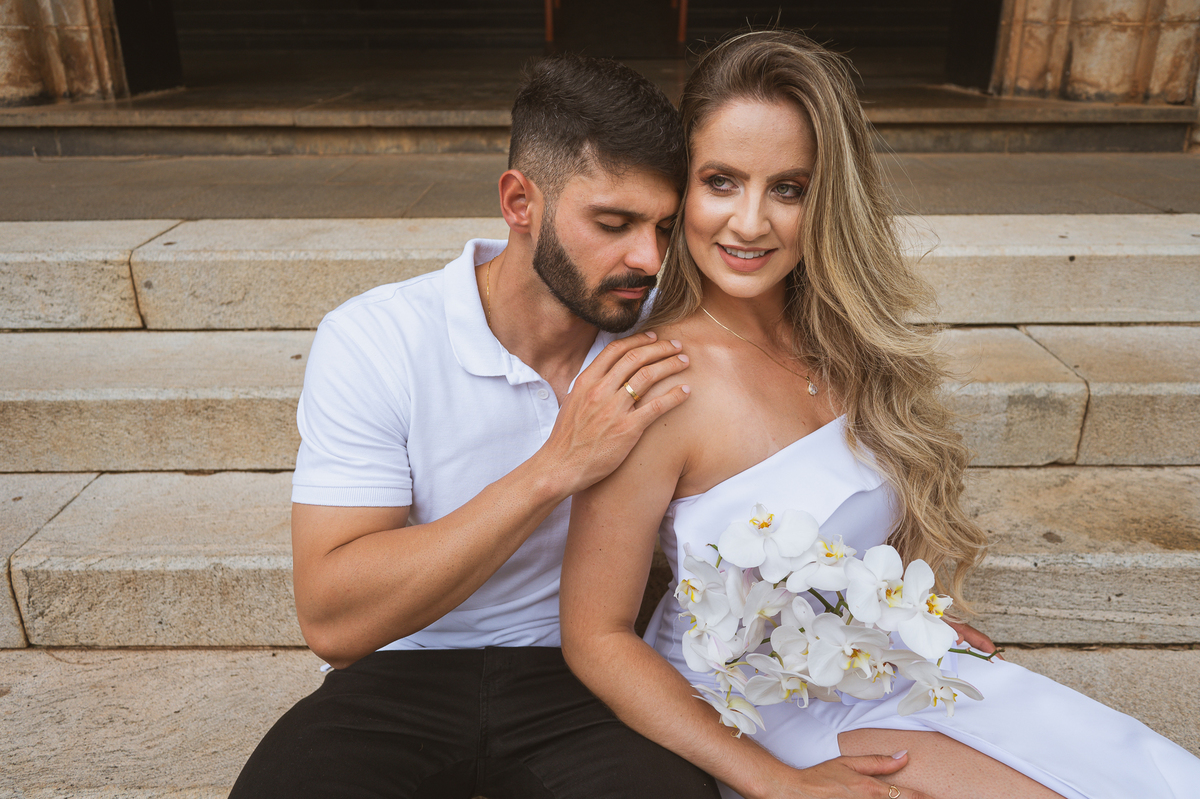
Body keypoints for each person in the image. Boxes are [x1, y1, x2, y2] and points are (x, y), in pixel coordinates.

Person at [230, 52, 909, 799]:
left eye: (662, 224)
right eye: (613, 223)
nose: (646, 258)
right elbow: (332, 618)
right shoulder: (378, 339)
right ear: (521, 202)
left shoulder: (672, 337)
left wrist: (882, 621)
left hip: (581, 685)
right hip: (400, 673)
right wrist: (555, 466)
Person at [559, 30, 1200, 799]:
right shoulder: (654, 381)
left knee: (1145, 777)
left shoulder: (844, 345)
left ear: (827, 197)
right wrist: (774, 784)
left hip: (891, 668)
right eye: (721, 181)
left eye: (788, 188)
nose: (750, 222)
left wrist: (912, 616)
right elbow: (594, 637)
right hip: (764, 720)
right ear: (681, 188)